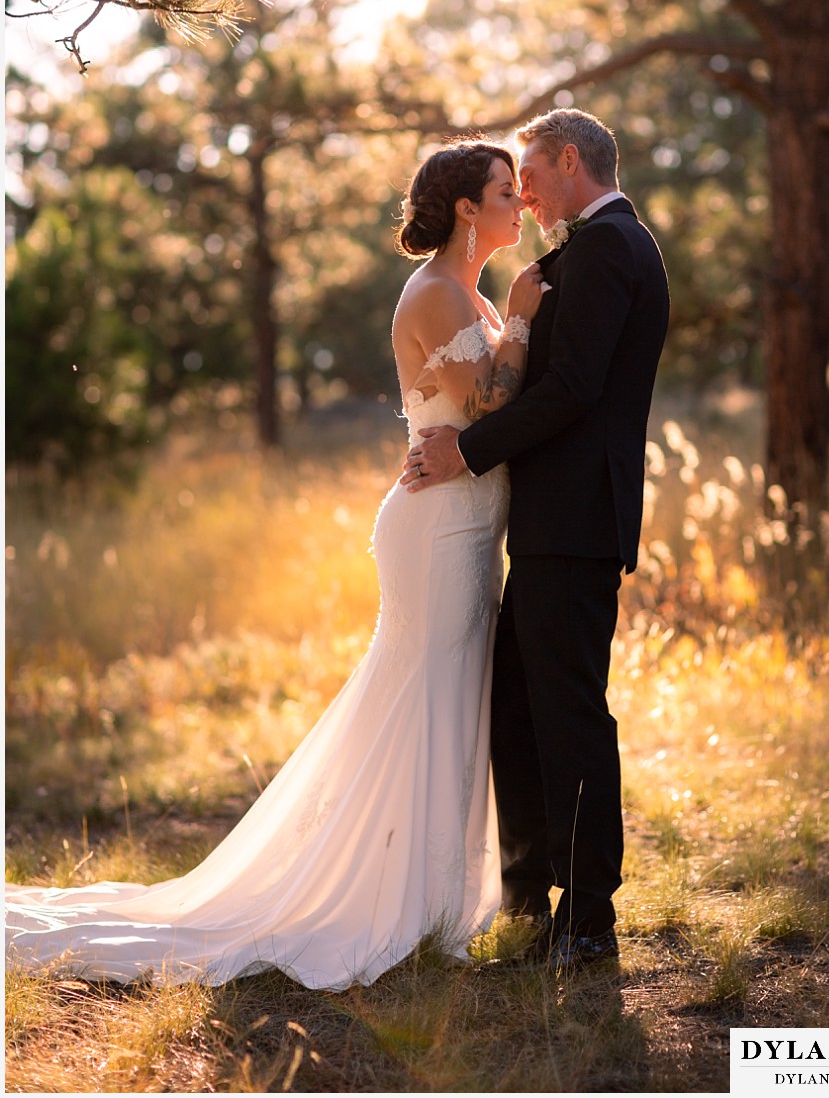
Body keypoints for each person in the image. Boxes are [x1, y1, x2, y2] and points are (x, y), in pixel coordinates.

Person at [5, 141, 544, 990]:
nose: (522, 205)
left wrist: (508, 312)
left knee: (449, 697)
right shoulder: (440, 293)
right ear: (468, 209)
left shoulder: (466, 291)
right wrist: (521, 315)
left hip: (470, 527)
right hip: (436, 530)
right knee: (427, 694)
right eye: (507, 192)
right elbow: (487, 405)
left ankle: (434, 897)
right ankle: (393, 904)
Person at [402, 108, 669, 968]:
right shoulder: (590, 250)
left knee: (569, 716)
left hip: (575, 523)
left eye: (532, 175)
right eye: (509, 184)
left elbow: (572, 391)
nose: (525, 192)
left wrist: (468, 450)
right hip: (550, 523)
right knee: (519, 708)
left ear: (567, 160)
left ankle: (588, 917)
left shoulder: (608, 249)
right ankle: (526, 893)